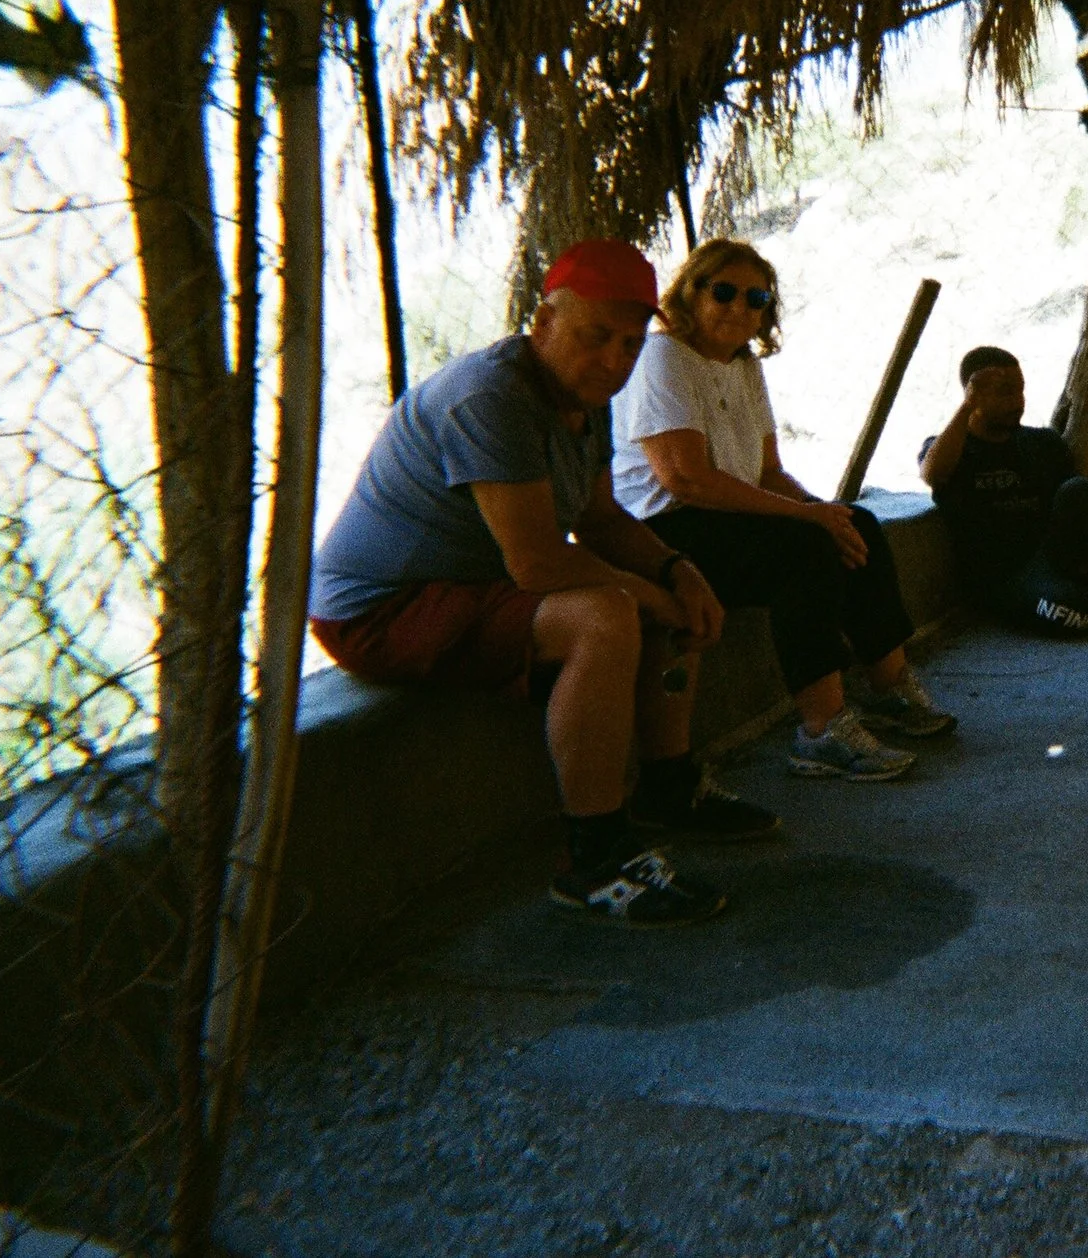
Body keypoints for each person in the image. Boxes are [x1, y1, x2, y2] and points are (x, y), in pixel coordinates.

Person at [309, 239, 773, 929]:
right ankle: (595, 858)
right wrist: (652, 594)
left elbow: (599, 517)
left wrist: (678, 571)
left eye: (629, 343)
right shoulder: (490, 398)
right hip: (383, 610)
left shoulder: (586, 394)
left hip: (474, 587)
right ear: (543, 322)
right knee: (607, 616)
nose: (615, 359)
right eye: (595, 336)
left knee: (662, 587)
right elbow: (539, 565)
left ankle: (670, 789)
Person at [613, 238, 941, 784]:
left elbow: (767, 473)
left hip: (727, 516)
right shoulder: (663, 356)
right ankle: (822, 731)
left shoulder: (742, 366)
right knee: (804, 549)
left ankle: (890, 689)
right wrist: (807, 521)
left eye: (756, 298)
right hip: (666, 529)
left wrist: (819, 509)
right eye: (724, 292)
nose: (740, 307)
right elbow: (685, 478)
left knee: (853, 524)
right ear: (690, 294)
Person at [918, 345, 1088, 636]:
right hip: (1004, 580)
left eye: (1020, 390)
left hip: (1051, 558)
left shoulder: (1043, 444)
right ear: (973, 396)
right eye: (1005, 392)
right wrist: (965, 407)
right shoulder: (950, 449)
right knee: (1072, 614)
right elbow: (932, 474)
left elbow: (1082, 504)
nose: (1018, 401)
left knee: (1079, 488)